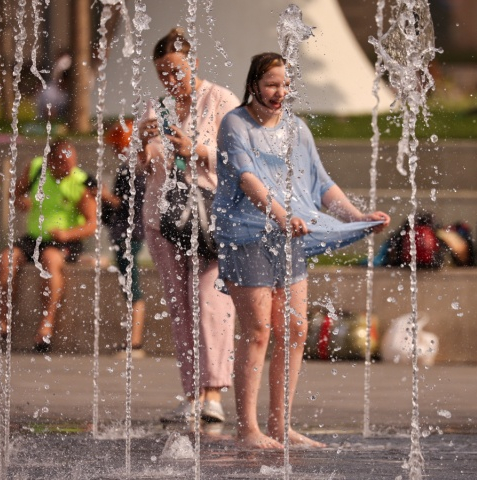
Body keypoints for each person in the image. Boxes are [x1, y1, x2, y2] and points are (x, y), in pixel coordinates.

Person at [214, 52, 390, 449]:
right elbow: (247, 179)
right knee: (258, 330)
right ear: (254, 84)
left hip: (289, 235)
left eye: (285, 85)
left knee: (294, 329)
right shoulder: (235, 124)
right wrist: (279, 214)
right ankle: (248, 429)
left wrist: (356, 216)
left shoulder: (297, 129)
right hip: (247, 235)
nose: (280, 92)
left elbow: (322, 184)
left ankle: (281, 425)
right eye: (272, 84)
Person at [142, 28, 240, 424]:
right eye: (162, 72)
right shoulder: (156, 106)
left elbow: (240, 157)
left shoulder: (221, 100)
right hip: (163, 217)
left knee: (211, 304)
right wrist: (144, 149)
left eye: (175, 70)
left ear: (193, 63)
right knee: (180, 308)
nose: (169, 79)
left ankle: (213, 392)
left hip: (210, 216)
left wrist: (195, 150)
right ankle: (192, 394)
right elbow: (144, 160)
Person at [0, 139, 98, 353]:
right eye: (64, 165)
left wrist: (67, 233)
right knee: (7, 259)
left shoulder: (80, 183)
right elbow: (14, 194)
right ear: (50, 162)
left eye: (73, 164)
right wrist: (20, 201)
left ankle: (46, 328)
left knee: (50, 261)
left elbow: (92, 224)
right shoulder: (35, 169)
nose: (70, 169)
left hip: (64, 241)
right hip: (34, 237)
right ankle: (2, 322)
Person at [102, 119, 148, 359]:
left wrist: (104, 196)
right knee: (128, 285)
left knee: (132, 287)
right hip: (127, 233)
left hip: (129, 233)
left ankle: (135, 343)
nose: (113, 149)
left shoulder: (133, 169)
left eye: (115, 144)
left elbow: (130, 205)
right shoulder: (133, 166)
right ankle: (133, 341)